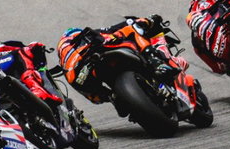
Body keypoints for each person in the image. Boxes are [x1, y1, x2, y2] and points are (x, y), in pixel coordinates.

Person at [59, 15, 194, 105]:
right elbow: (125, 25)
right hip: (106, 58)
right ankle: (155, 62)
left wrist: (107, 97)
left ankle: (115, 98)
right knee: (131, 31)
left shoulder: (67, 67)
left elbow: (92, 98)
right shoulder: (90, 36)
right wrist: (148, 20)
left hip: (85, 77)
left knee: (111, 98)